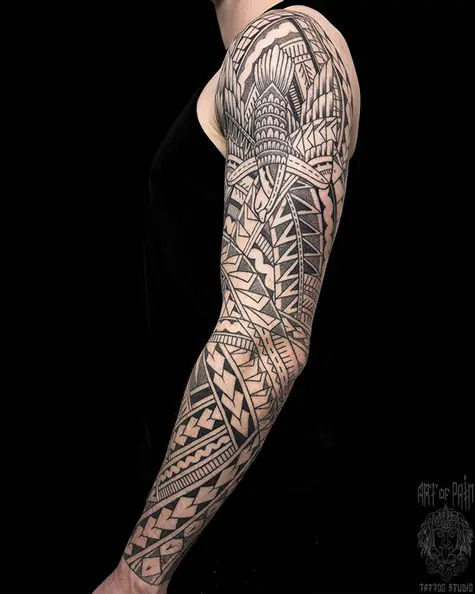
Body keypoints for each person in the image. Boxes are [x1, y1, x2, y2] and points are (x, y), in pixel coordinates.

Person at [94, 1, 360, 592]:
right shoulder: (249, 59)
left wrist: (139, 574)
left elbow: (265, 340)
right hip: (211, 532)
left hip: (256, 539)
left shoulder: (283, 47)